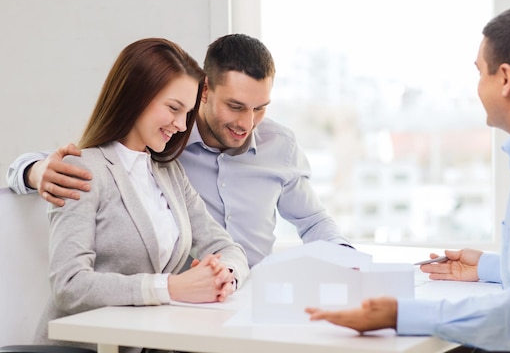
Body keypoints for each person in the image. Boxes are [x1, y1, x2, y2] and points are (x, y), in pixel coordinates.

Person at [305, 6, 510, 353]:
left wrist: (401, 314)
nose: (478, 88)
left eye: (480, 73)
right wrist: (487, 265)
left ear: (505, 78)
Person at [6, 34, 351, 268]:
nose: (248, 123)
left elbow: (313, 220)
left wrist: (347, 262)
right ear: (204, 92)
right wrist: (34, 171)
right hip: (180, 310)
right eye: (235, 106)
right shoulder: (165, 140)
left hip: (252, 304)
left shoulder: (281, 145)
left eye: (260, 107)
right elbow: (96, 154)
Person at [33, 38, 249, 352]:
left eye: (187, 113)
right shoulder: (82, 169)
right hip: (83, 347)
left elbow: (226, 247)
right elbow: (70, 285)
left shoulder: (169, 174)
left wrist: (223, 275)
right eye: (173, 108)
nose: (180, 124)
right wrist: (171, 287)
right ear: (136, 95)